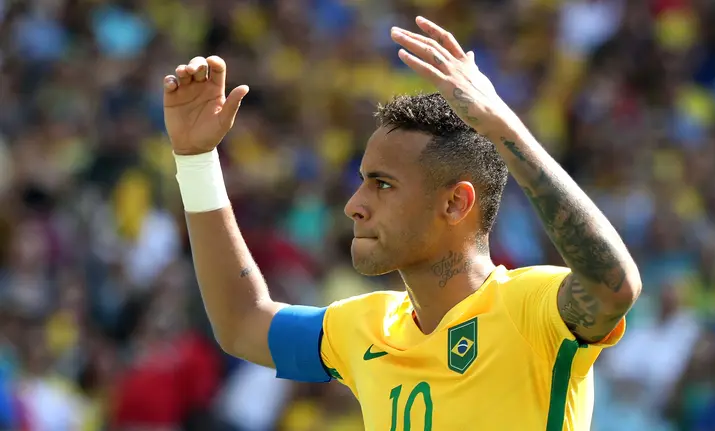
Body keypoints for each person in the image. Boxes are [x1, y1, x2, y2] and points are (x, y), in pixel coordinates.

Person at [162, 16, 642, 431]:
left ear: (455, 204)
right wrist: (197, 160)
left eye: (382, 184)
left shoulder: (530, 309)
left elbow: (613, 285)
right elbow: (243, 323)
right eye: (362, 181)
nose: (354, 205)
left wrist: (505, 130)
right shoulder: (365, 327)